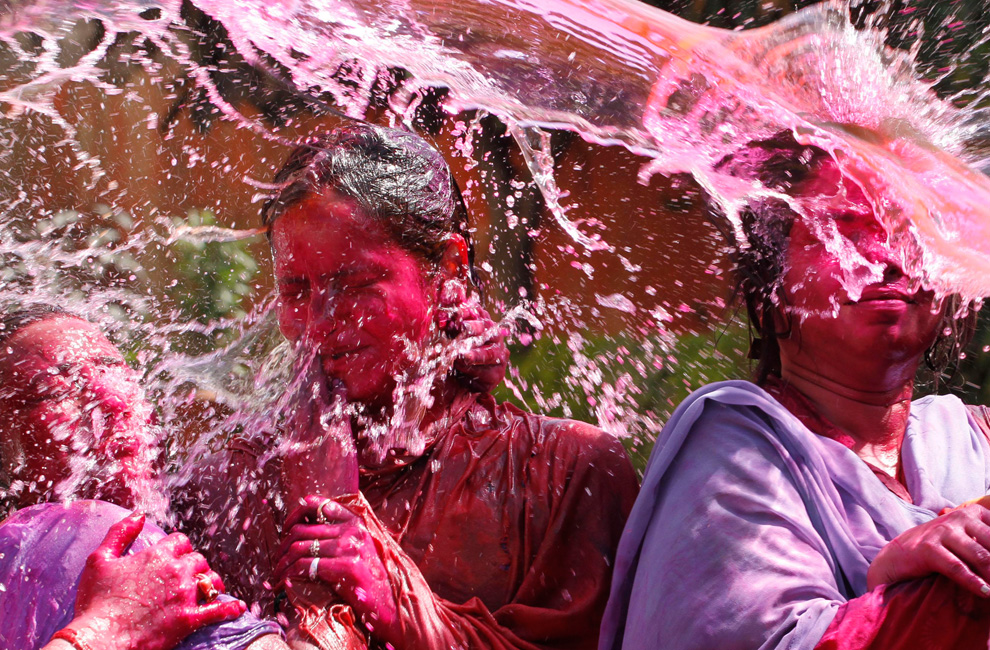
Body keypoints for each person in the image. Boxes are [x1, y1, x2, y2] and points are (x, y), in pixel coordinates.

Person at [177, 122, 640, 650]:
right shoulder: (236, 485)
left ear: (449, 266)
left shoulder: (564, 473)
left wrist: (394, 596)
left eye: (354, 284)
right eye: (296, 289)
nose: (320, 321)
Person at [599, 131, 990, 650]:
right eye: (843, 231)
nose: (887, 258)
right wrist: (899, 579)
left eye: (907, 233)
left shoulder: (978, 435)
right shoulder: (733, 455)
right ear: (772, 285)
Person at [0, 305, 287, 650]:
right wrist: (325, 601)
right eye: (56, 390)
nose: (114, 399)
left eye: (114, 370)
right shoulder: (90, 529)